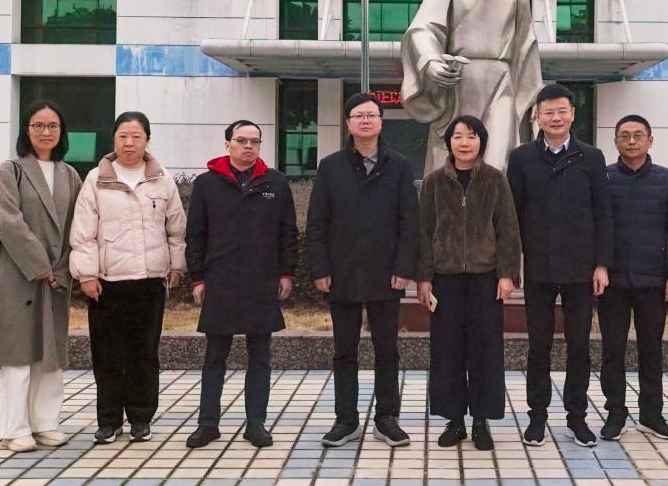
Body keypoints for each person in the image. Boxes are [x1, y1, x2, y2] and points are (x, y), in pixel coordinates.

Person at [307, 93, 420, 448]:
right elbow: (317, 222)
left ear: (381, 121)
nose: (366, 121)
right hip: (342, 273)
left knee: (387, 349)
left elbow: (410, 222)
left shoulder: (399, 166)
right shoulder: (331, 167)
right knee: (344, 350)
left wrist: (405, 266)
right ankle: (346, 419)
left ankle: (387, 418)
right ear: (348, 123)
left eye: (372, 115)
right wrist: (320, 267)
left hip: (387, 274)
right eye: (359, 115)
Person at [70, 112, 187, 444]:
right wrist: (87, 274)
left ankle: (140, 418)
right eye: (123, 136)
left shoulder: (161, 179)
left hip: (149, 281)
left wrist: (175, 267)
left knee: (144, 353)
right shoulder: (96, 179)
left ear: (147, 140)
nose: (129, 143)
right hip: (107, 283)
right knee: (107, 354)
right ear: (114, 140)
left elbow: (176, 228)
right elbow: (83, 232)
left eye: (136, 136)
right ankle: (108, 420)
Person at [507, 84, 613, 447]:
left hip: (580, 269)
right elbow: (512, 216)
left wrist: (601, 264)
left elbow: (603, 213)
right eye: (548, 112)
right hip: (538, 268)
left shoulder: (591, 157)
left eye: (562, 111)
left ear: (573, 114)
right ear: (537, 116)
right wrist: (512, 266)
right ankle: (537, 417)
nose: (556, 118)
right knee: (538, 347)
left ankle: (577, 417)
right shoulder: (522, 158)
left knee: (579, 346)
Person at [401, 0, 543, 172]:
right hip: (458, 82)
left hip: (502, 84)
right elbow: (424, 28)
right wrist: (431, 62)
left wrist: (535, 100)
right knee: (453, 161)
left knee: (499, 162)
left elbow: (526, 48)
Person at [184, 120, 298, 449]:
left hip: (261, 280)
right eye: (241, 140)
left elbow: (288, 232)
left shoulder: (275, 182)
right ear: (227, 145)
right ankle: (208, 424)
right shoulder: (207, 184)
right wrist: (197, 278)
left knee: (260, 356)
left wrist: (286, 273)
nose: (249, 146)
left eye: (255, 141)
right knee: (214, 356)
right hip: (219, 281)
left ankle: (256, 423)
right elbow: (196, 235)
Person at [0, 100, 82, 452]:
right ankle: (14, 428)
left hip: (57, 279)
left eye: (53, 126)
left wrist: (63, 267)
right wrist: (41, 265)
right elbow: (7, 220)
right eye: (38, 125)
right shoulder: (10, 171)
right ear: (27, 130)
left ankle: (45, 422)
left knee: (50, 354)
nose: (46, 132)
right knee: (17, 354)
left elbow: (78, 226)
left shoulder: (70, 175)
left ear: (61, 132)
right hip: (19, 275)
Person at [417, 115, 521, 451]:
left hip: (485, 279)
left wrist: (507, 274)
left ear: (481, 142)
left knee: (485, 351)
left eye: (472, 136)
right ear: (449, 142)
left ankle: (480, 420)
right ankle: (454, 420)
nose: (464, 142)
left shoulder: (495, 179)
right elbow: (424, 233)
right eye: (458, 136)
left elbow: (508, 229)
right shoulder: (434, 182)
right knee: (446, 351)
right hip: (445, 280)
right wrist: (424, 279)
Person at [599, 114, 668, 441]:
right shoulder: (604, 178)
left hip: (654, 280)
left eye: (639, 135)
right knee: (612, 350)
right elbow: (595, 227)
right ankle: (615, 413)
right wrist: (598, 266)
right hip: (613, 281)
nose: (632, 141)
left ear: (650, 140)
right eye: (625, 135)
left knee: (651, 349)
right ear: (615, 142)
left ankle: (652, 414)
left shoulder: (667, 180)